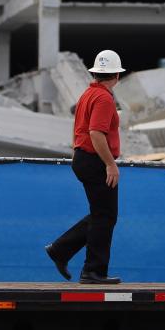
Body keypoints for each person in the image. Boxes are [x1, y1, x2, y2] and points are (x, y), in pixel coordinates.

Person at [45, 49, 125, 284]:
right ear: (117, 76)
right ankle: (93, 271)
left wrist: (80, 154)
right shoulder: (104, 98)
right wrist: (110, 164)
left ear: (96, 73)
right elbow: (96, 133)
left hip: (83, 158)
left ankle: (60, 250)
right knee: (106, 216)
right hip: (95, 160)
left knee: (102, 214)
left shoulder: (88, 94)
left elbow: (82, 130)